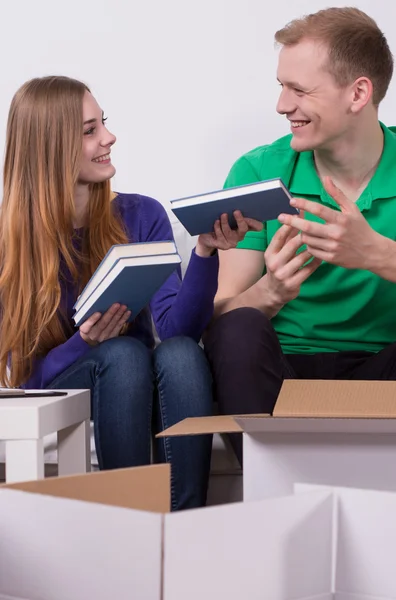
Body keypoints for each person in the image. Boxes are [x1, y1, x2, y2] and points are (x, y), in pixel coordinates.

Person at [0, 75, 262, 509]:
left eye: (103, 122)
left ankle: (186, 520)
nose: (109, 137)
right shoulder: (13, 241)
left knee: (180, 353)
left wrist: (204, 252)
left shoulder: (140, 214)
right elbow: (24, 381)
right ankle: (129, 516)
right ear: (50, 147)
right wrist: (83, 342)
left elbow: (178, 329)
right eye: (90, 131)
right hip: (77, 375)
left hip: (141, 374)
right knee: (122, 353)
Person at [203, 6, 396, 464]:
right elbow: (217, 319)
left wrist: (377, 254)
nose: (282, 105)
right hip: (283, 373)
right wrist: (270, 290)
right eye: (281, 87)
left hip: (384, 369)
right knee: (240, 326)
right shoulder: (258, 172)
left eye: (299, 90)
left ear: (358, 93)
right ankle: (276, 492)